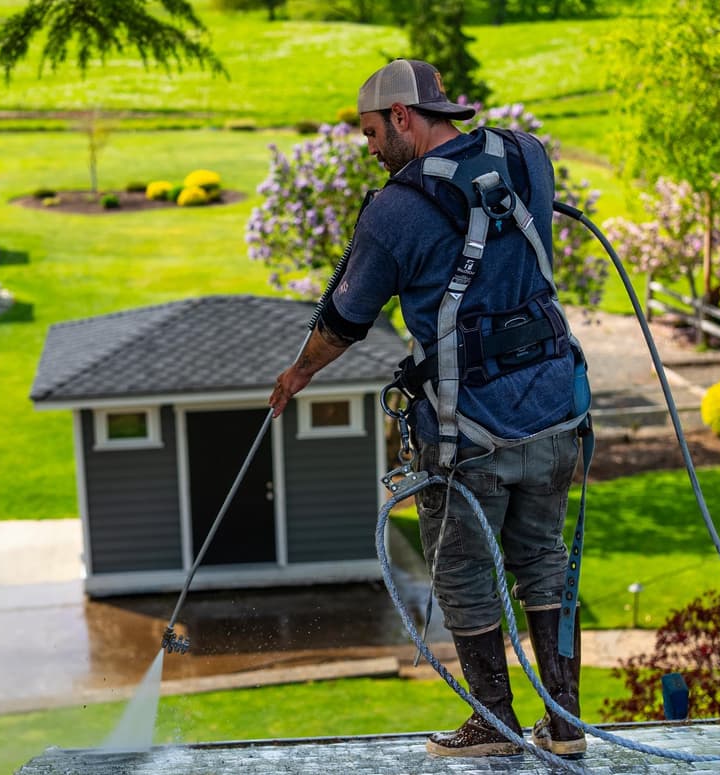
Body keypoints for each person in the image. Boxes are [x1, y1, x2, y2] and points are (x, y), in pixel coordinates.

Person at [268, 59, 587, 759]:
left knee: (462, 572)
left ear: (405, 116)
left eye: (373, 131)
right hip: (557, 408)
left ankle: (493, 727)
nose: (371, 147)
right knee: (544, 561)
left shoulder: (395, 211)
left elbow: (345, 318)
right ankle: (565, 728)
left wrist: (298, 372)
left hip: (469, 429)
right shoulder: (526, 155)